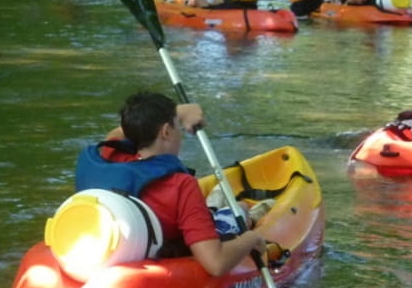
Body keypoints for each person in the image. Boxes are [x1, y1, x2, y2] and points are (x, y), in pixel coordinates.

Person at [75, 91, 269, 277]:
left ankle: (216, 201)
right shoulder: (181, 185)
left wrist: (179, 113)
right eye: (178, 126)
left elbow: (121, 131)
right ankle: (247, 211)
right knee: (240, 209)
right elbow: (215, 263)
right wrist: (251, 239)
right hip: (166, 251)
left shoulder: (108, 155)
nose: (181, 133)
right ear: (166, 131)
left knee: (220, 209)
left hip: (112, 246)